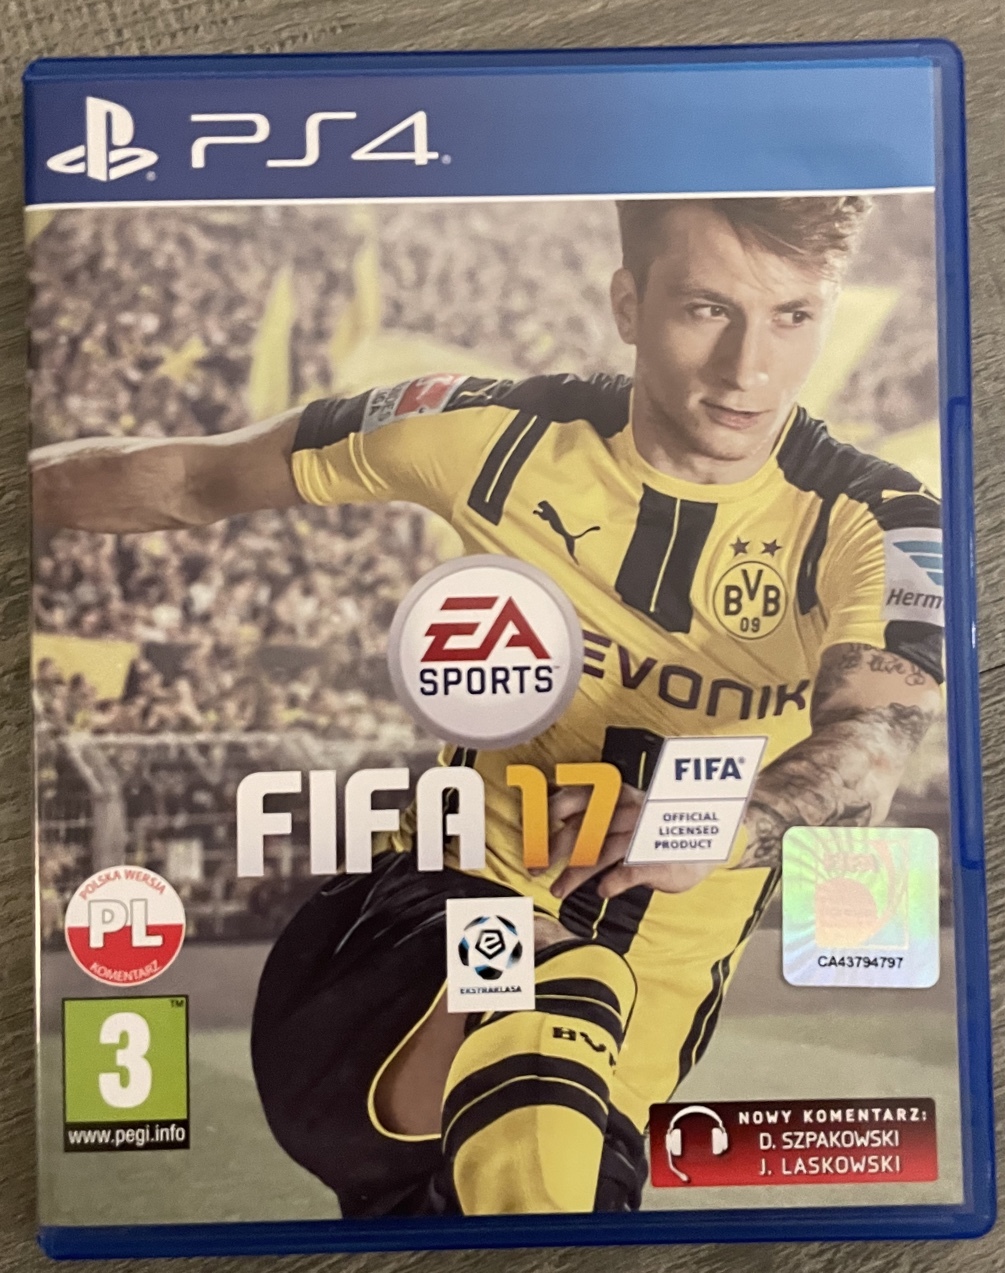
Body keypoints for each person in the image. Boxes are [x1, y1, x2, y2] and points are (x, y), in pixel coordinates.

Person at [31, 196, 943, 1217]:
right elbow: (189, 479)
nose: (748, 369)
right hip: (409, 964)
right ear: (628, 305)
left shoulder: (878, 521)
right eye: (706, 310)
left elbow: (879, 736)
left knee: (528, 1190)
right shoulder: (493, 435)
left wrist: (730, 822)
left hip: (617, 1074)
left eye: (792, 317)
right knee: (558, 988)